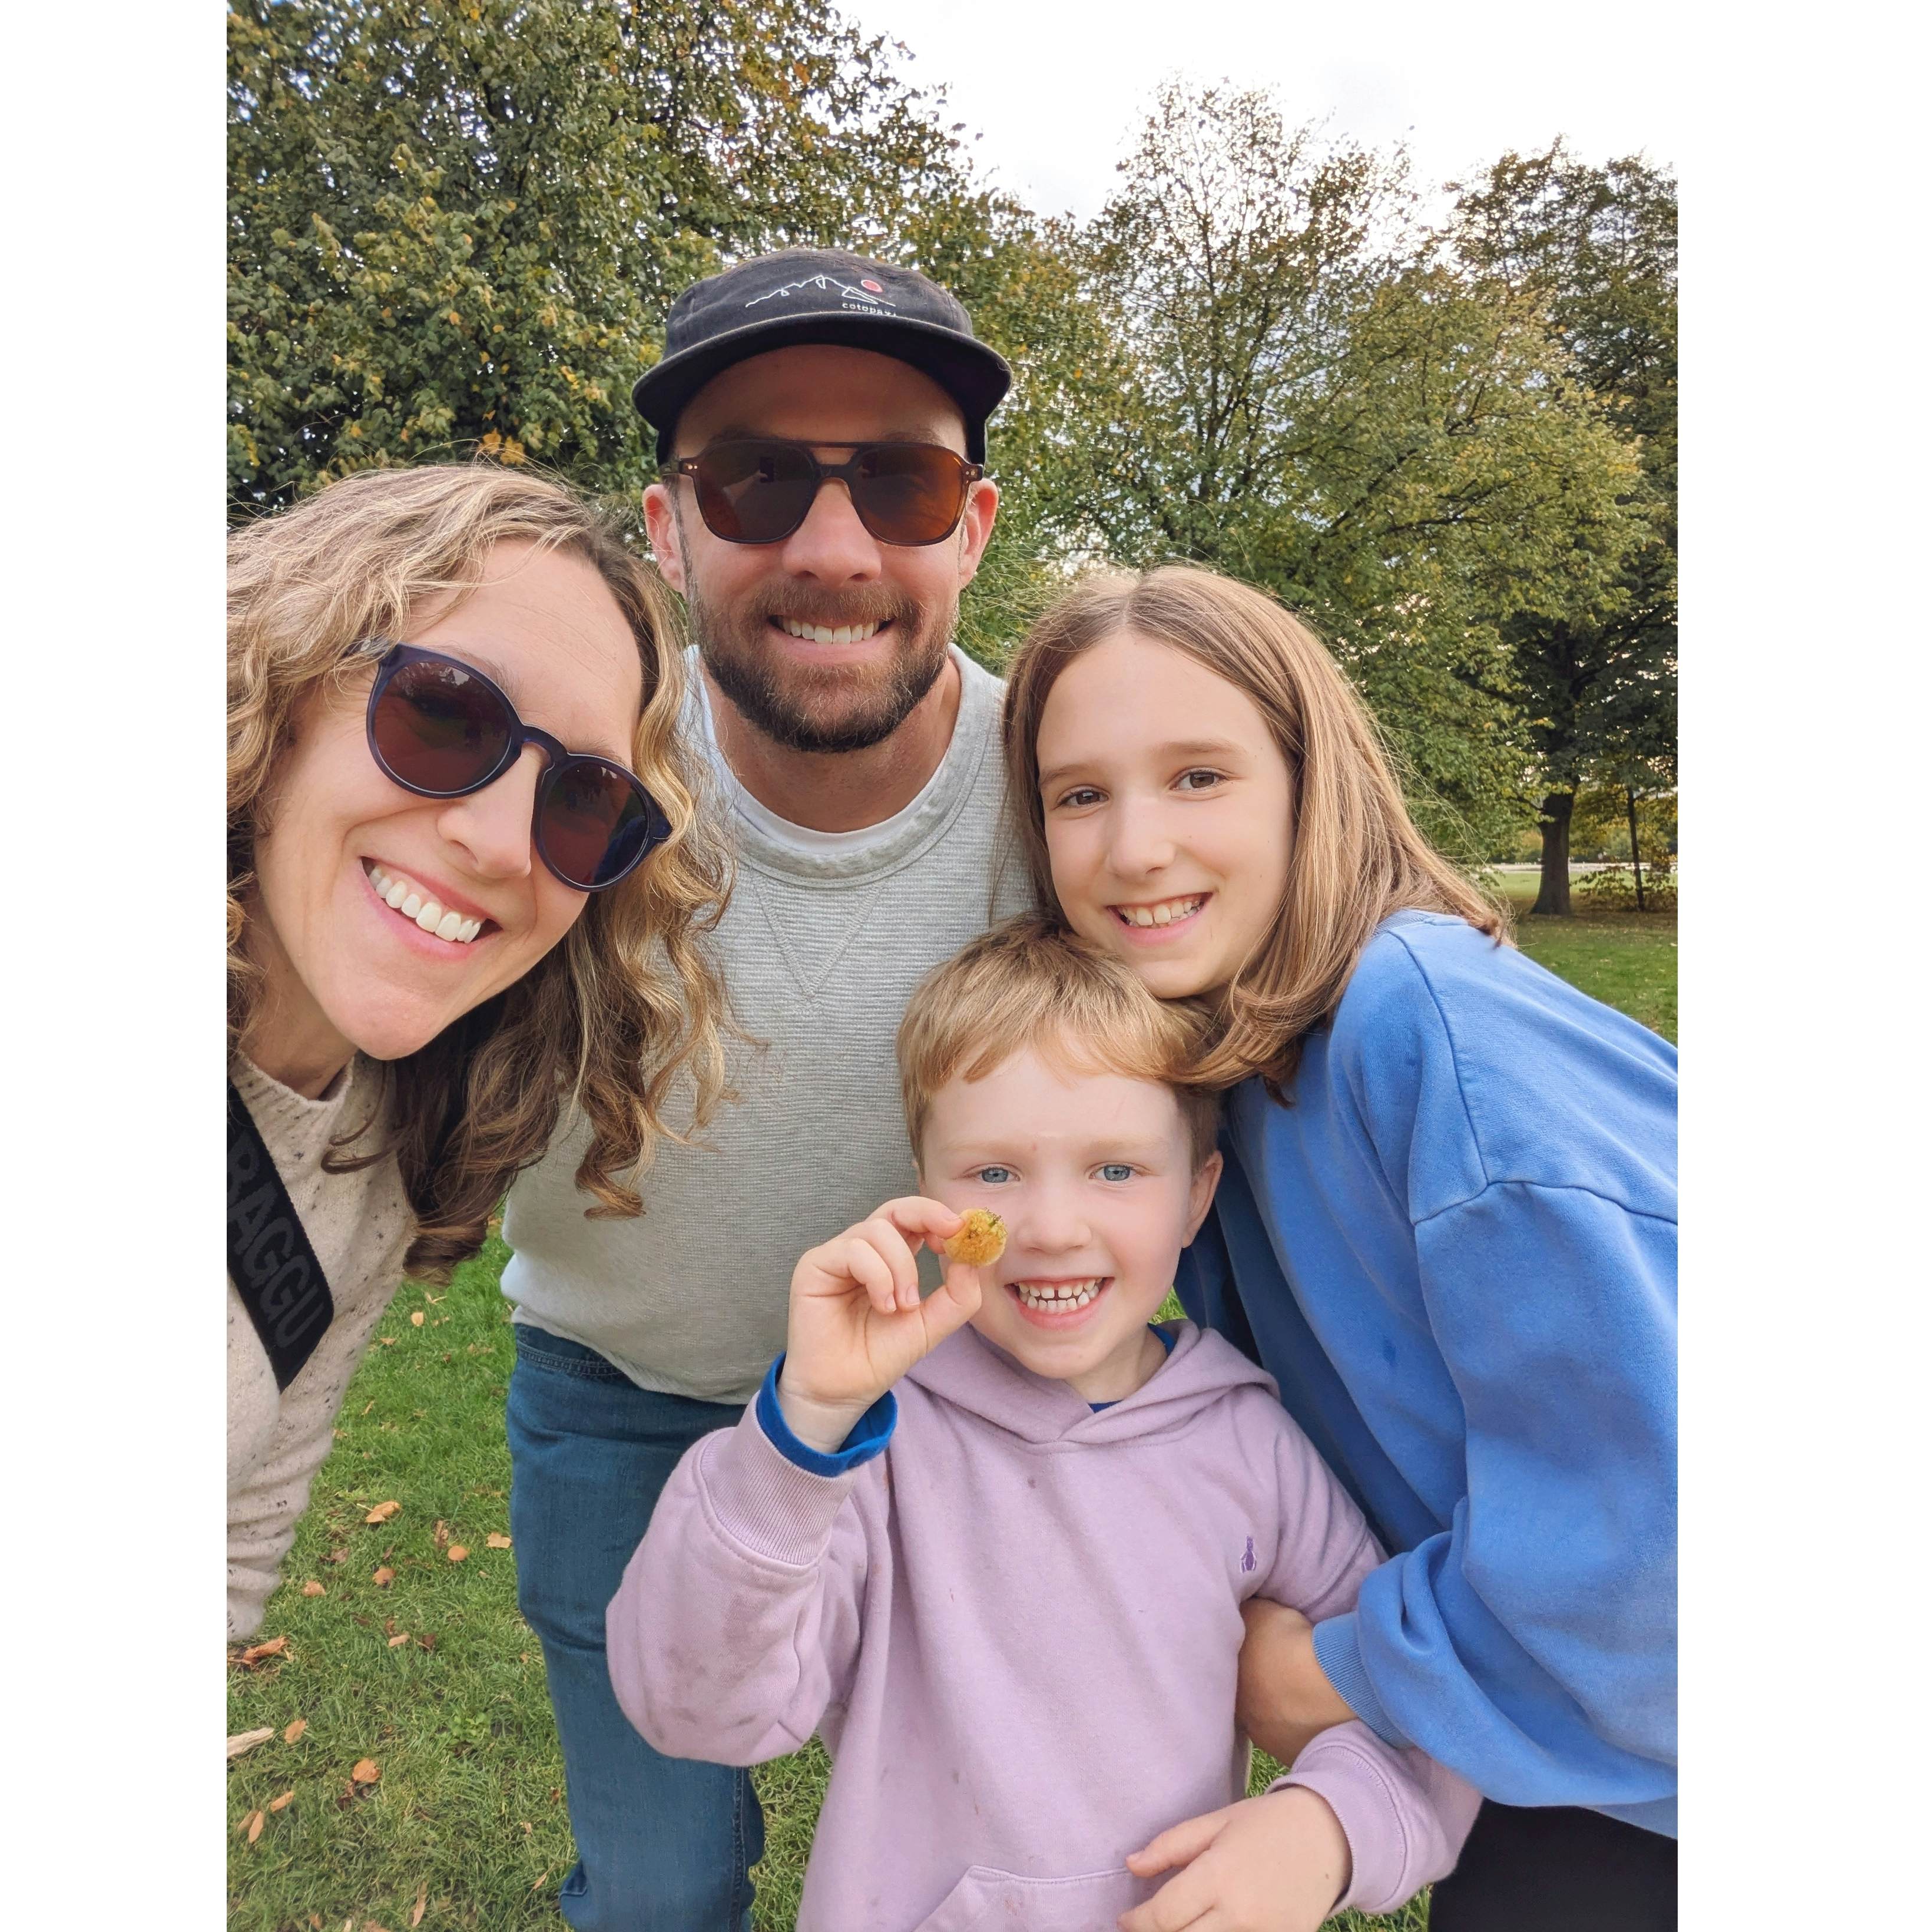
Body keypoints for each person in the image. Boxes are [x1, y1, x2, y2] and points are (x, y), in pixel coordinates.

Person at [999, 565, 1678, 1931]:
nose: (1133, 846)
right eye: (1079, 794)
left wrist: (1340, 1672)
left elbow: (1668, 1532)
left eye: (1198, 776)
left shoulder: (1421, 1029)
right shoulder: (1233, 1060)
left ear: (1312, 785)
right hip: (1551, 1743)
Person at [496, 250, 1032, 1928]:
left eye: (899, 477)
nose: (830, 545)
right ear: (668, 530)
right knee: (658, 1898)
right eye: (754, 478)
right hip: (627, 1410)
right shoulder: (545, 791)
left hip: (977, 1423)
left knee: (988, 1882)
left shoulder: (1082, 799)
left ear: (973, 527)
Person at [608, 918, 1479, 1932]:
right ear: (927, 1188)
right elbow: (698, 1709)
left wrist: (1326, 1829)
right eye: (993, 1173)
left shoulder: (1253, 1446)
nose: (1053, 1227)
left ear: (1199, 1196)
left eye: (1117, 1170)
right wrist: (802, 1429)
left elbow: (1412, 1716)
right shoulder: (878, 1448)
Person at [227, 462, 730, 1643]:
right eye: (445, 714)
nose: (506, 843)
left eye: (583, 797)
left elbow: (233, 1542)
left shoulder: (382, 1155)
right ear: (279, 685)